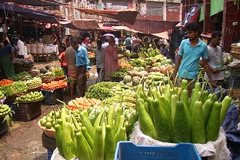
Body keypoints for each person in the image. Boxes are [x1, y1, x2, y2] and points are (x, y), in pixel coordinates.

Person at [173, 22, 216, 95]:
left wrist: (211, 80)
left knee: (189, 99)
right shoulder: (183, 43)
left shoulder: (203, 46)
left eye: (190, 33)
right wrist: (174, 76)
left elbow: (205, 64)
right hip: (181, 76)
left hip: (192, 78)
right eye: (187, 33)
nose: (188, 35)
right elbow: (178, 60)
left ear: (196, 32)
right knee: (179, 98)